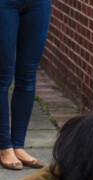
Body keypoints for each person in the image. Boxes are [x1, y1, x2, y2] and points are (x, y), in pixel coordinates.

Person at [0, 0, 51, 170]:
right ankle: (4, 146)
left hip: (38, 4)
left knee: (28, 76)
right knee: (3, 77)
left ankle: (18, 146)